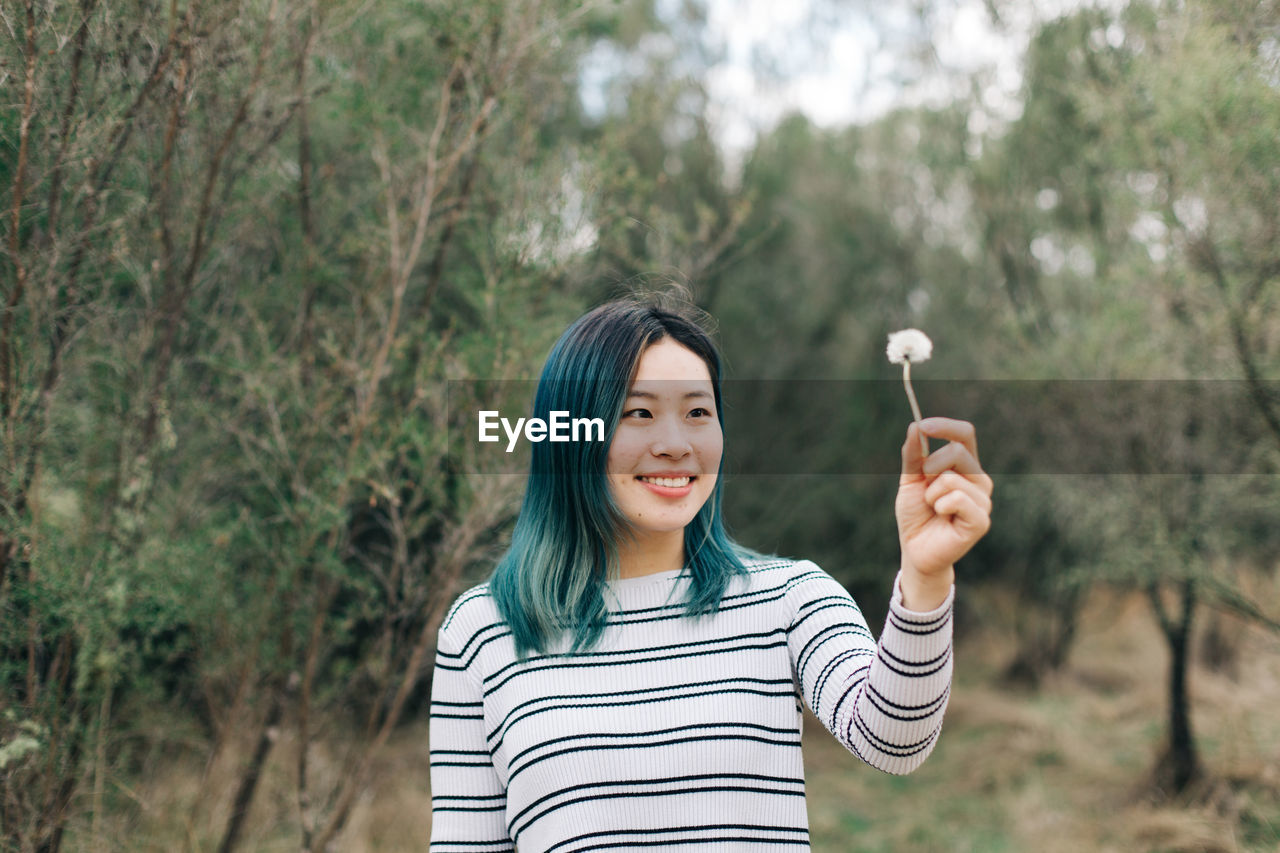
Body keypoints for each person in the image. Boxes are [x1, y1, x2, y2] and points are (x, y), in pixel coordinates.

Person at [429, 297, 993, 852]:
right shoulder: (482, 632)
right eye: (638, 413)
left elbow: (893, 739)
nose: (676, 445)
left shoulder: (789, 599)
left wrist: (925, 577)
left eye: (698, 412)